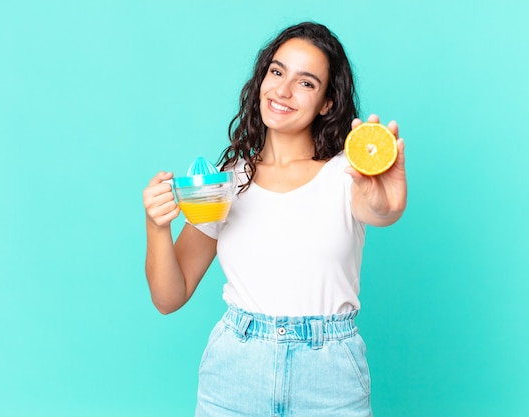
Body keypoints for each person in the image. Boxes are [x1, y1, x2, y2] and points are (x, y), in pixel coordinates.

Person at [142, 22, 407, 417]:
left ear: (328, 103)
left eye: (306, 83)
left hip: (329, 378)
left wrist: (389, 203)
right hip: (235, 373)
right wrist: (156, 226)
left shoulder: (347, 174)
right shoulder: (228, 179)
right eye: (277, 72)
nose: (282, 91)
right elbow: (169, 297)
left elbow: (380, 210)